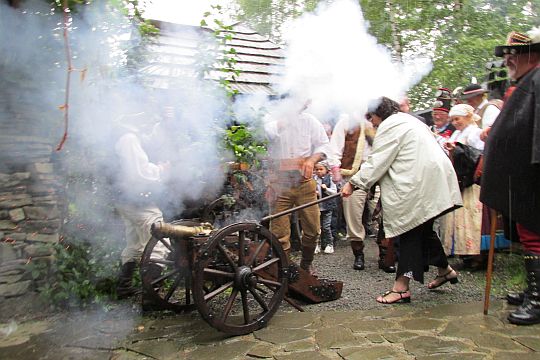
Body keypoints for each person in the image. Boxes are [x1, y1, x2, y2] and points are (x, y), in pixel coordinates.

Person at [342, 97, 462, 304]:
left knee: (408, 233)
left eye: (371, 117)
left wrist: (353, 183)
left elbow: (378, 160)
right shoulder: (409, 120)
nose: (372, 123)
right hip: (431, 180)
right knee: (423, 231)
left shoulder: (390, 126)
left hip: (419, 184)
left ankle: (401, 288)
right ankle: (445, 270)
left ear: (378, 113)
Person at [480, 27, 540, 325]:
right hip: (524, 173)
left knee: (535, 234)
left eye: (512, 54)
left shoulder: (538, 81)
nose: (507, 61)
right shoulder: (529, 81)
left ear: (531, 54)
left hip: (533, 173)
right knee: (528, 234)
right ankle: (533, 290)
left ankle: (539, 300)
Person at [264, 97, 329, 274]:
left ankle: (306, 264)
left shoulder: (310, 121)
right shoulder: (272, 118)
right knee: (279, 234)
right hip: (280, 184)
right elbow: (268, 133)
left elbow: (324, 146)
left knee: (313, 231)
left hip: (305, 182)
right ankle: (285, 270)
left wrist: (312, 159)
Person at [327, 113, 396, 272]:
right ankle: (358, 254)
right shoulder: (346, 120)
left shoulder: (383, 121)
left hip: (379, 174)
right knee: (353, 218)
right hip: (353, 175)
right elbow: (335, 148)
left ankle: (385, 255)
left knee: (386, 215)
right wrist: (336, 169)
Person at [113, 113, 170, 298]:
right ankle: (151, 296)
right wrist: (161, 169)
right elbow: (140, 172)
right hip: (136, 200)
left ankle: (124, 287)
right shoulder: (129, 139)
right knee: (159, 243)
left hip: (125, 200)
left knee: (135, 244)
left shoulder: (122, 137)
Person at [441, 104, 485, 270]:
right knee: (459, 218)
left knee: (472, 219)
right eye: (452, 120)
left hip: (471, 181)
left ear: (467, 116)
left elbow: (479, 154)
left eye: (457, 118)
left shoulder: (474, 132)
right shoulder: (457, 133)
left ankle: (477, 256)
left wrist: (458, 149)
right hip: (459, 179)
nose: (454, 122)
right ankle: (465, 253)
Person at [313, 161, 337, 254]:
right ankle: (317, 245)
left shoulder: (330, 179)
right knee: (317, 227)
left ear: (326, 170)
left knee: (326, 227)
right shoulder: (313, 179)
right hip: (316, 206)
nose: (318, 171)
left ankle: (329, 244)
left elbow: (334, 192)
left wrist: (325, 189)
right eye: (316, 169)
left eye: (321, 169)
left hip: (327, 206)